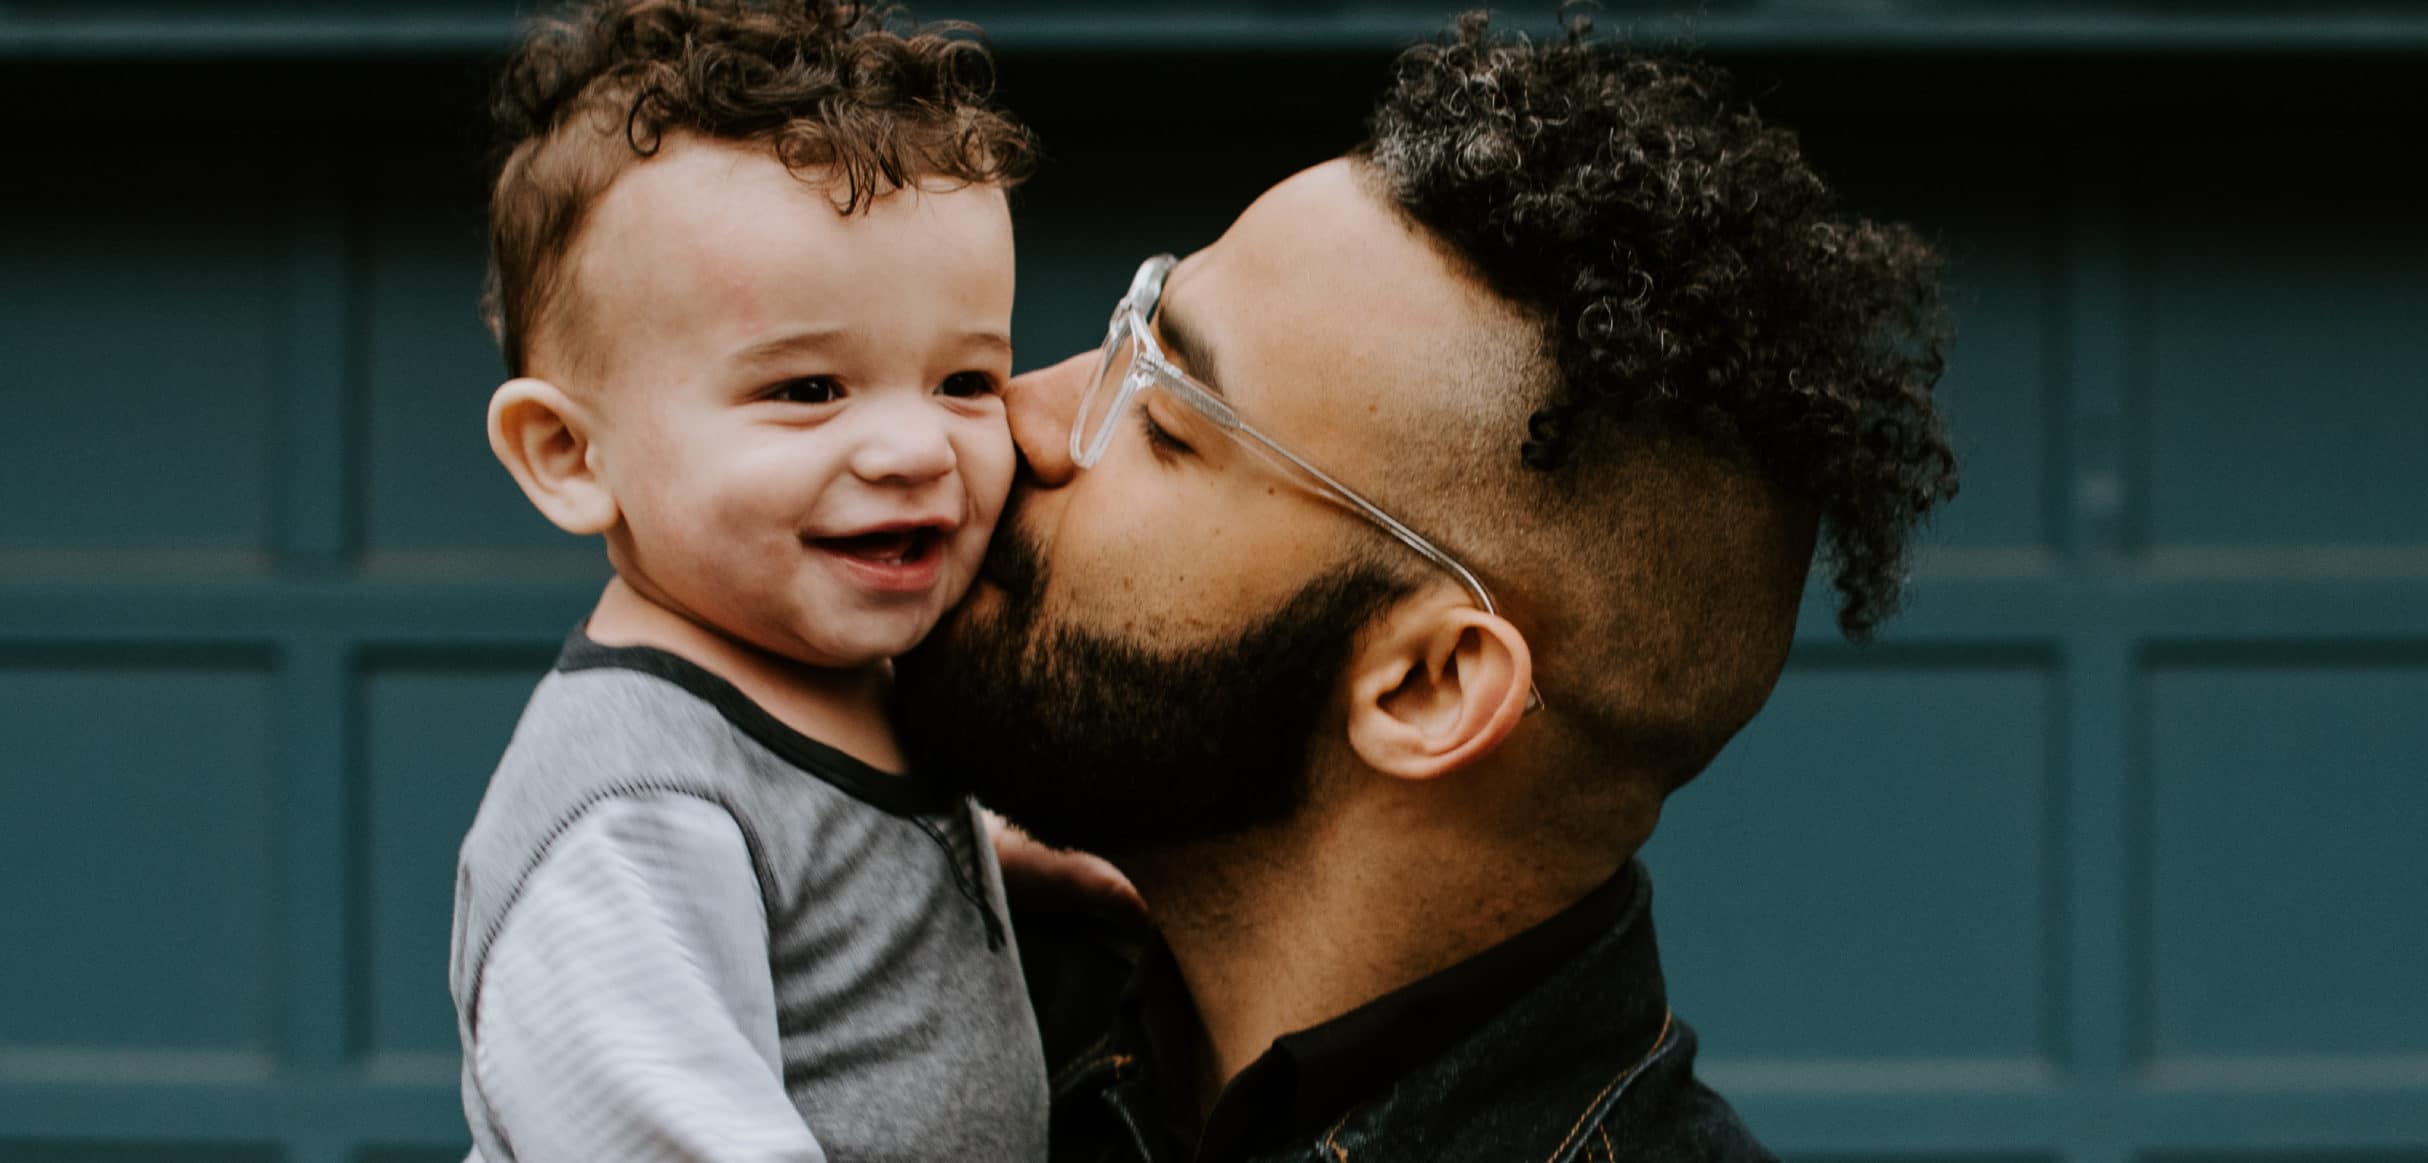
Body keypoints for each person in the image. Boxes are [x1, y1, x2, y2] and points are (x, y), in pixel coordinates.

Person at [891, 12, 1959, 1161]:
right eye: (1125, 336)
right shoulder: (925, 967)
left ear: (1428, 684)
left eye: (1164, 419)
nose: (1019, 417)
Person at [448, 1, 1047, 1158]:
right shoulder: (633, 812)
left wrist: (1032, 864)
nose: (915, 448)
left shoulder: (843, 674)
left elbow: (848, 866)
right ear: (571, 456)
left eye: (965, 379)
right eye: (808, 389)